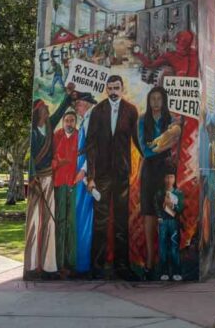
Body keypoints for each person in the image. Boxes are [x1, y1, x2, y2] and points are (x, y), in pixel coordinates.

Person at [85, 75, 139, 279]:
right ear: (106, 90)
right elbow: (90, 145)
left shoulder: (131, 110)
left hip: (122, 174)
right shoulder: (97, 111)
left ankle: (122, 267)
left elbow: (137, 140)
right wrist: (91, 177)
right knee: (100, 221)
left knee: (121, 221)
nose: (113, 91)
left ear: (122, 88)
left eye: (116, 88)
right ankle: (97, 267)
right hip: (101, 175)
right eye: (110, 88)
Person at [137, 86, 182, 276]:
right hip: (149, 169)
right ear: (149, 101)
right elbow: (144, 149)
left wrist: (156, 144)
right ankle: (149, 259)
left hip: (166, 170)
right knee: (149, 213)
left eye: (159, 98)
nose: (155, 102)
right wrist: (164, 142)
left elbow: (173, 142)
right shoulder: (141, 120)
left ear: (163, 101)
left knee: (168, 213)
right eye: (152, 98)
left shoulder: (172, 121)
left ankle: (167, 260)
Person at [25, 95, 70, 275]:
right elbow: (31, 159)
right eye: (43, 108)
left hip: (48, 177)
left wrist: (67, 98)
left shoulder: (50, 125)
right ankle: (31, 265)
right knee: (35, 219)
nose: (46, 110)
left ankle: (49, 265)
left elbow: (60, 111)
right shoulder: (33, 132)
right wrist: (33, 175)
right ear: (38, 112)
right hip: (36, 180)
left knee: (50, 220)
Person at [72, 91, 97, 275]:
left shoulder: (90, 121)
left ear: (87, 104)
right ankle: (80, 260)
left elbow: (94, 149)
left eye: (79, 104)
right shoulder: (85, 120)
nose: (76, 107)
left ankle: (83, 263)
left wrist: (83, 170)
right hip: (81, 169)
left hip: (86, 172)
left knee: (83, 214)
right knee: (80, 213)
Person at [52, 109, 78, 275]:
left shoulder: (80, 136)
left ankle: (71, 263)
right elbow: (51, 159)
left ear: (75, 122)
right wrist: (59, 163)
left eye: (72, 120)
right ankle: (58, 262)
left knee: (71, 222)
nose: (69, 123)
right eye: (67, 120)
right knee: (60, 221)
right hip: (60, 183)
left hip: (74, 184)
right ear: (63, 122)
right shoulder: (56, 136)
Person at [154, 165, 184, 281]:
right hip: (163, 222)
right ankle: (164, 271)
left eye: (171, 177)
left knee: (174, 247)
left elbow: (181, 208)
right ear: (163, 179)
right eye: (167, 177)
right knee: (162, 247)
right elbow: (156, 205)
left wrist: (172, 205)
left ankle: (176, 271)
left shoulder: (178, 193)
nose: (169, 180)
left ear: (175, 178)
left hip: (174, 222)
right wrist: (159, 216)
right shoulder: (159, 193)